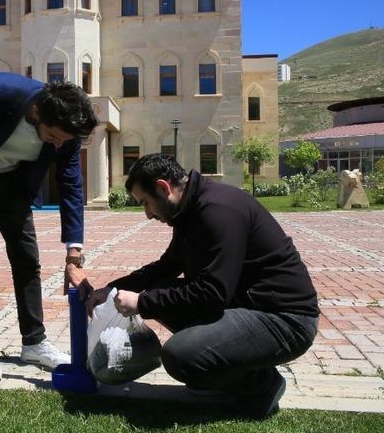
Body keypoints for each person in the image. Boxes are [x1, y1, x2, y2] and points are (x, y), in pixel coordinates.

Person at [84, 154, 319, 418]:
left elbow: (212, 293)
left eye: (146, 203)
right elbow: (167, 266)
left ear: (163, 188)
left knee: (180, 357)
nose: (148, 214)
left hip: (286, 319)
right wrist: (112, 289)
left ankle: (262, 385)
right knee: (162, 288)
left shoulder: (217, 211)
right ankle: (240, 370)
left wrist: (141, 303)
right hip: (248, 305)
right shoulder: (190, 210)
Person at [0, 72, 99, 382]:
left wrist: (74, 250)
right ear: (37, 112)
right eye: (53, 137)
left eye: (64, 140)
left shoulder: (67, 129)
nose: (59, 145)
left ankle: (34, 342)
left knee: (27, 260)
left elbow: (70, 184)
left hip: (12, 185)